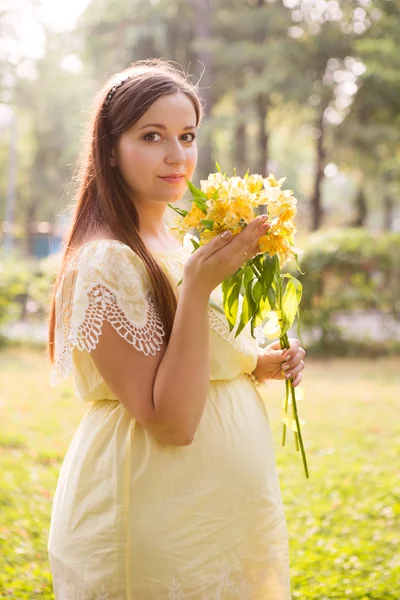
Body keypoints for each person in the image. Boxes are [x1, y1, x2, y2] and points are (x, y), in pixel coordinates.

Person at [47, 58, 306, 600]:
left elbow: (187, 360)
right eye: (152, 135)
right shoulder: (106, 263)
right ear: (110, 151)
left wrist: (254, 363)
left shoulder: (185, 242)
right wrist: (196, 290)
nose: (177, 155)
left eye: (187, 135)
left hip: (226, 513)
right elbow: (171, 422)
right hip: (155, 511)